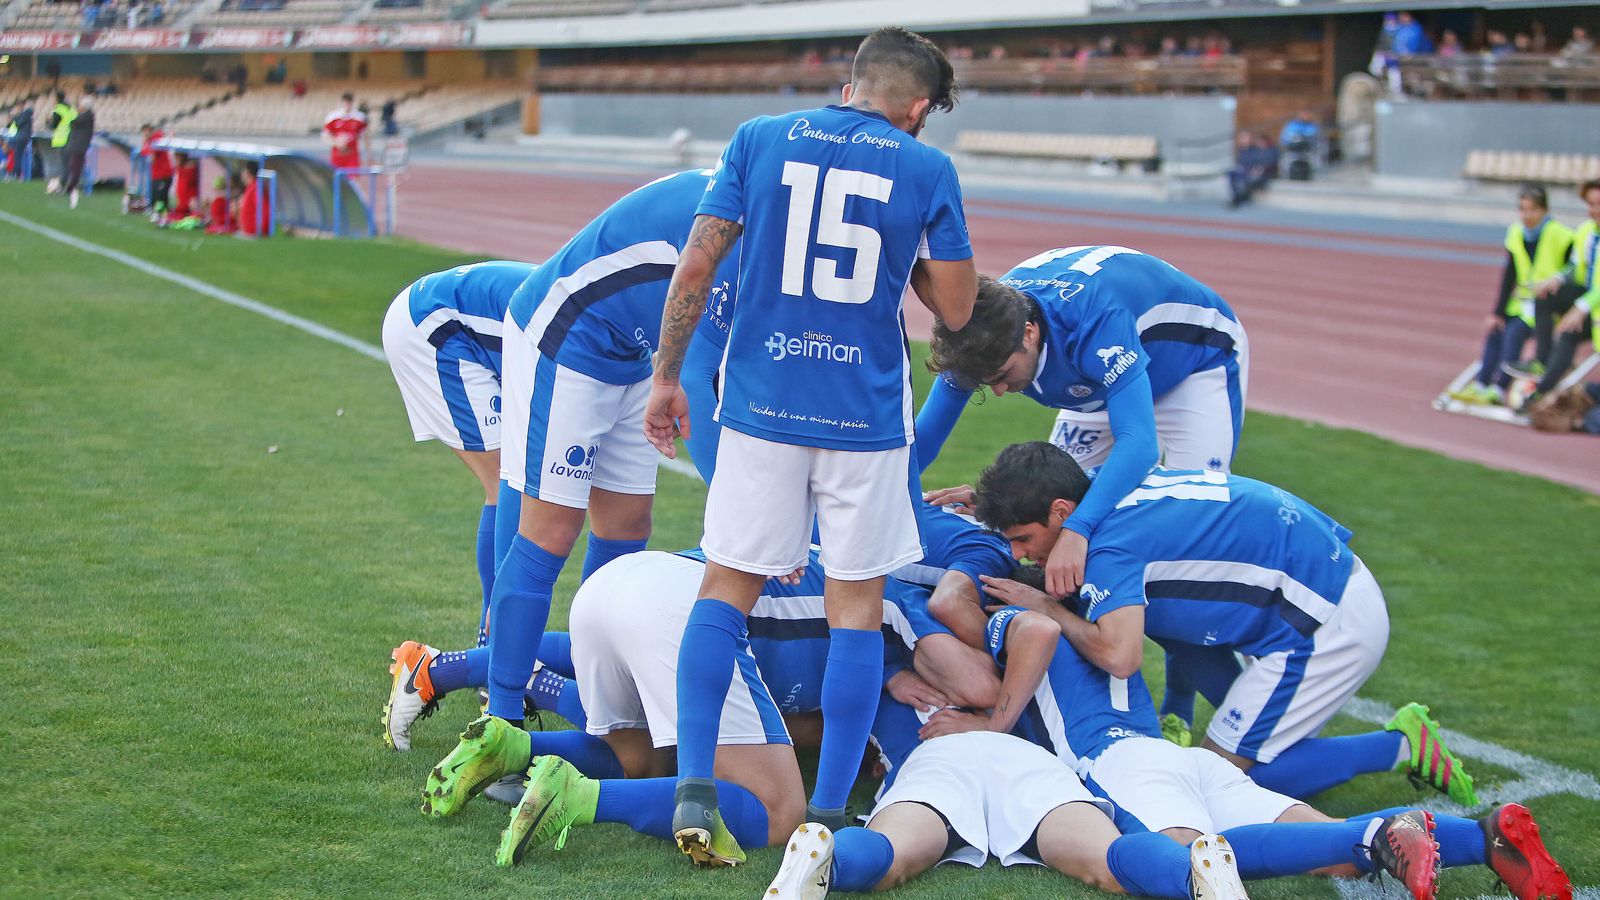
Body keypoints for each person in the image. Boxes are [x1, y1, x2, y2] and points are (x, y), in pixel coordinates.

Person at [641, 26, 977, 858]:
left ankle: (692, 791)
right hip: (864, 416)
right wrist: (905, 247)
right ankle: (826, 815)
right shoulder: (926, 167)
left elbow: (695, 270)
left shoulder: (759, 137)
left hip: (761, 403)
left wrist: (666, 377)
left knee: (725, 588)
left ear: (852, 83)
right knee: (856, 608)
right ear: (919, 106)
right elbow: (959, 309)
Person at [421, 170, 744, 827]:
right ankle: (499, 727)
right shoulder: (741, 216)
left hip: (640, 350)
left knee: (627, 526)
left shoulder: (785, 214)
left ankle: (601, 714)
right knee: (551, 531)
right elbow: (704, 377)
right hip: (568, 330)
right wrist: (749, 512)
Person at [970, 441, 1480, 807]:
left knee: (1218, 787)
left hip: (1323, 625)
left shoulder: (1109, 548)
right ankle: (1245, 733)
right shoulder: (1098, 483)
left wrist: (1051, 609)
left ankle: (1403, 745)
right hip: (1313, 588)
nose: (1021, 554)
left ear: (1062, 512)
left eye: (1023, 539)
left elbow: (1120, 657)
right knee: (1162, 621)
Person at [963, 596, 1572, 900]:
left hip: (1118, 762)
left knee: (1188, 860)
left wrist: (985, 710)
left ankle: (1378, 833)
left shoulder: (1016, 616)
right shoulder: (1102, 613)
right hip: (1181, 758)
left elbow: (1004, 646)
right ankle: (1482, 838)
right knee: (1330, 848)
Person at [921, 246, 1248, 597]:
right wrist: (994, 508)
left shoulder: (1094, 325)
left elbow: (1139, 444)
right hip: (1100, 379)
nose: (999, 391)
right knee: (1049, 511)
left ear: (1029, 333)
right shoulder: (975, 335)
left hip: (1193, 365)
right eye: (985, 384)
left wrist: (1079, 528)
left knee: (1191, 517)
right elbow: (924, 438)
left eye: (1003, 375)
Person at [764, 703, 1252, 899]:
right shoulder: (998, 673)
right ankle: (1190, 871)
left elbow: (823, 724)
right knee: (1105, 859)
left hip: (934, 759)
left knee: (892, 854)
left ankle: (829, 859)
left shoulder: (886, 680)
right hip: (1023, 755)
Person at [380, 261, 535, 657]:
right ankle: (494, 638)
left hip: (455, 324)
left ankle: (497, 640)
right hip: (435, 329)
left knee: (515, 477)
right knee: (507, 478)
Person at [1451, 185, 1573, 406]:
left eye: (1533, 210)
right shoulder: (1516, 233)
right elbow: (1509, 275)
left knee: (1514, 333)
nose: (1527, 215)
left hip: (1547, 308)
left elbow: (1572, 273)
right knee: (1496, 329)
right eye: (1523, 209)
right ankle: (1481, 383)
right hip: (1521, 304)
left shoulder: (1561, 235)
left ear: (1544, 210)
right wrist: (1497, 312)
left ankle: (1499, 388)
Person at [1521, 178, 1600, 409]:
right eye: (1591, 204)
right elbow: (1575, 265)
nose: (1594, 210)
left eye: (1599, 204)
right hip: (1589, 301)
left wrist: (1581, 308)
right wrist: (1556, 279)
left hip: (1593, 307)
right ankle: (1542, 366)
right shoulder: (1585, 231)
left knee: (1569, 331)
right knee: (1548, 299)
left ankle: (1544, 394)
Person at [62, 95, 95, 210]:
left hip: (79, 146)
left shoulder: (86, 116)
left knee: (75, 167)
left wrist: (73, 112)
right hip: (79, 145)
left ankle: (71, 187)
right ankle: (72, 186)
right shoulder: (87, 116)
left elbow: (73, 122)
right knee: (74, 166)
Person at [1227, 131, 1276, 207]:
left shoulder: (1265, 150)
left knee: (1248, 179)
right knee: (1232, 174)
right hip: (1248, 172)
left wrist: (1259, 169)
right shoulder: (1242, 150)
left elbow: (1265, 163)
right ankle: (1236, 196)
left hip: (1261, 173)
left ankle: (1239, 198)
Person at [323, 92, 367, 171]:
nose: (347, 105)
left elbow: (364, 135)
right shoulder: (333, 117)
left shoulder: (359, 117)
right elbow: (325, 135)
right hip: (337, 154)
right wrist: (336, 142)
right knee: (336, 175)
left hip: (352, 154)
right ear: (342, 102)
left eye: (349, 102)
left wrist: (368, 154)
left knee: (352, 176)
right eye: (346, 102)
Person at [138, 123, 173, 213]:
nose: (145, 135)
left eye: (146, 132)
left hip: (164, 174)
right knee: (155, 195)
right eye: (144, 133)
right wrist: (145, 142)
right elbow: (144, 152)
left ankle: (163, 212)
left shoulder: (157, 138)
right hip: (156, 174)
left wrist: (146, 143)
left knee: (161, 195)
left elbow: (152, 157)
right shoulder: (150, 141)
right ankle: (157, 212)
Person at [44, 91, 75, 194]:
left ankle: (61, 186)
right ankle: (68, 185)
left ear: (56, 99)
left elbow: (53, 126)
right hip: (71, 138)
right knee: (68, 164)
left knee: (63, 165)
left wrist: (47, 122)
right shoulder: (71, 108)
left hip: (62, 140)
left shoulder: (58, 110)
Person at [236, 161, 270, 236]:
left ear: (248, 172)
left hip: (255, 233)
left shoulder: (257, 188)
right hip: (248, 232)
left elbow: (264, 210)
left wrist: (261, 230)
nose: (241, 174)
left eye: (243, 171)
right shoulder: (250, 188)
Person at [171, 151, 200, 219]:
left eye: (177, 157)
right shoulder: (180, 167)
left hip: (189, 199)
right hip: (182, 199)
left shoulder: (190, 167)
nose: (175, 160)